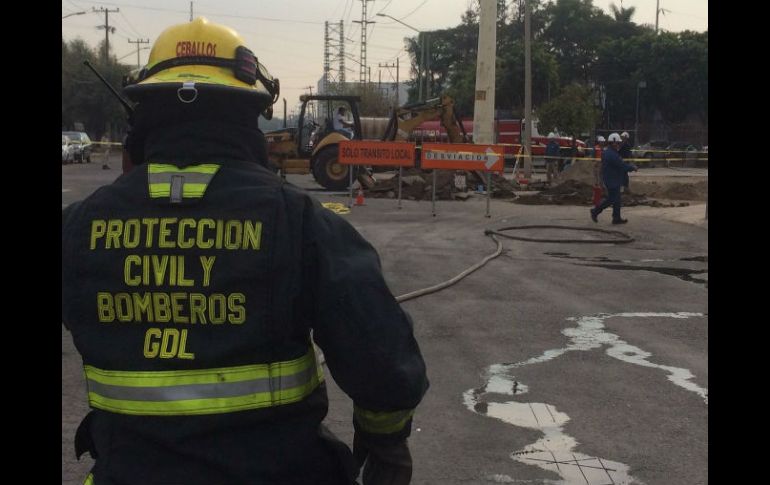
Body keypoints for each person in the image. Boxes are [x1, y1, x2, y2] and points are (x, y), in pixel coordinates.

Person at [62, 17, 428, 485]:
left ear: (143, 112)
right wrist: (386, 440)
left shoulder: (78, 227)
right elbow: (380, 355)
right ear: (249, 111)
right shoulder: (298, 222)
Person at [590, 132, 638, 224]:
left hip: (613, 178)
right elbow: (621, 165)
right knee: (612, 199)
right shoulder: (611, 154)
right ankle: (595, 211)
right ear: (613, 142)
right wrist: (632, 168)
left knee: (617, 199)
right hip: (612, 180)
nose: (619, 145)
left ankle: (616, 218)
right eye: (618, 143)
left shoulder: (609, 152)